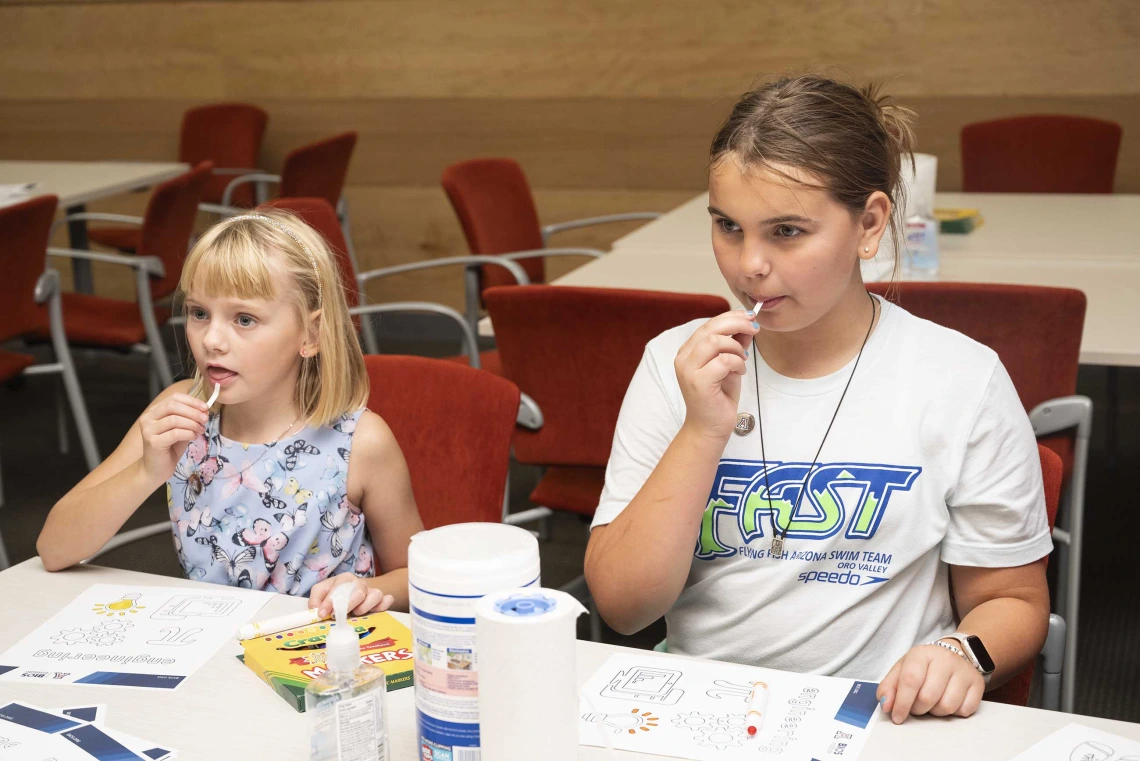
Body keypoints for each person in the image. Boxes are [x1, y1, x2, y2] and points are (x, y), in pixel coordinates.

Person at [583, 75, 1051, 723]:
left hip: (878, 719)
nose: (749, 263)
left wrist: (959, 650)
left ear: (869, 224)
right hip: (706, 712)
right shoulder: (675, 366)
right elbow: (623, 604)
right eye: (727, 226)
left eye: (787, 231)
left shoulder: (961, 380)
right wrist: (701, 431)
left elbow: (1014, 599)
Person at [38, 210, 423, 617]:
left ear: (311, 335)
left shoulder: (361, 442)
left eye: (244, 319)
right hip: (206, 649)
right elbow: (54, 548)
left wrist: (367, 589)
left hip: (318, 660)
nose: (212, 340)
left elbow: (415, 576)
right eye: (199, 313)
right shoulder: (177, 412)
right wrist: (147, 473)